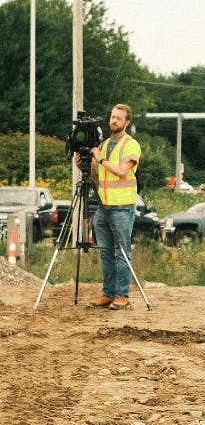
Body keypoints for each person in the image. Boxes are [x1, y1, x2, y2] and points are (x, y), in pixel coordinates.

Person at [74, 104, 141, 311]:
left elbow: (121, 171)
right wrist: (83, 165)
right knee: (105, 252)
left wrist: (100, 158)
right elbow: (97, 175)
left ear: (127, 122)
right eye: (112, 117)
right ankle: (108, 293)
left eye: (119, 118)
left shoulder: (131, 145)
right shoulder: (102, 146)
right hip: (103, 206)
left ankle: (122, 295)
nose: (114, 121)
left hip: (122, 206)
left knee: (122, 252)